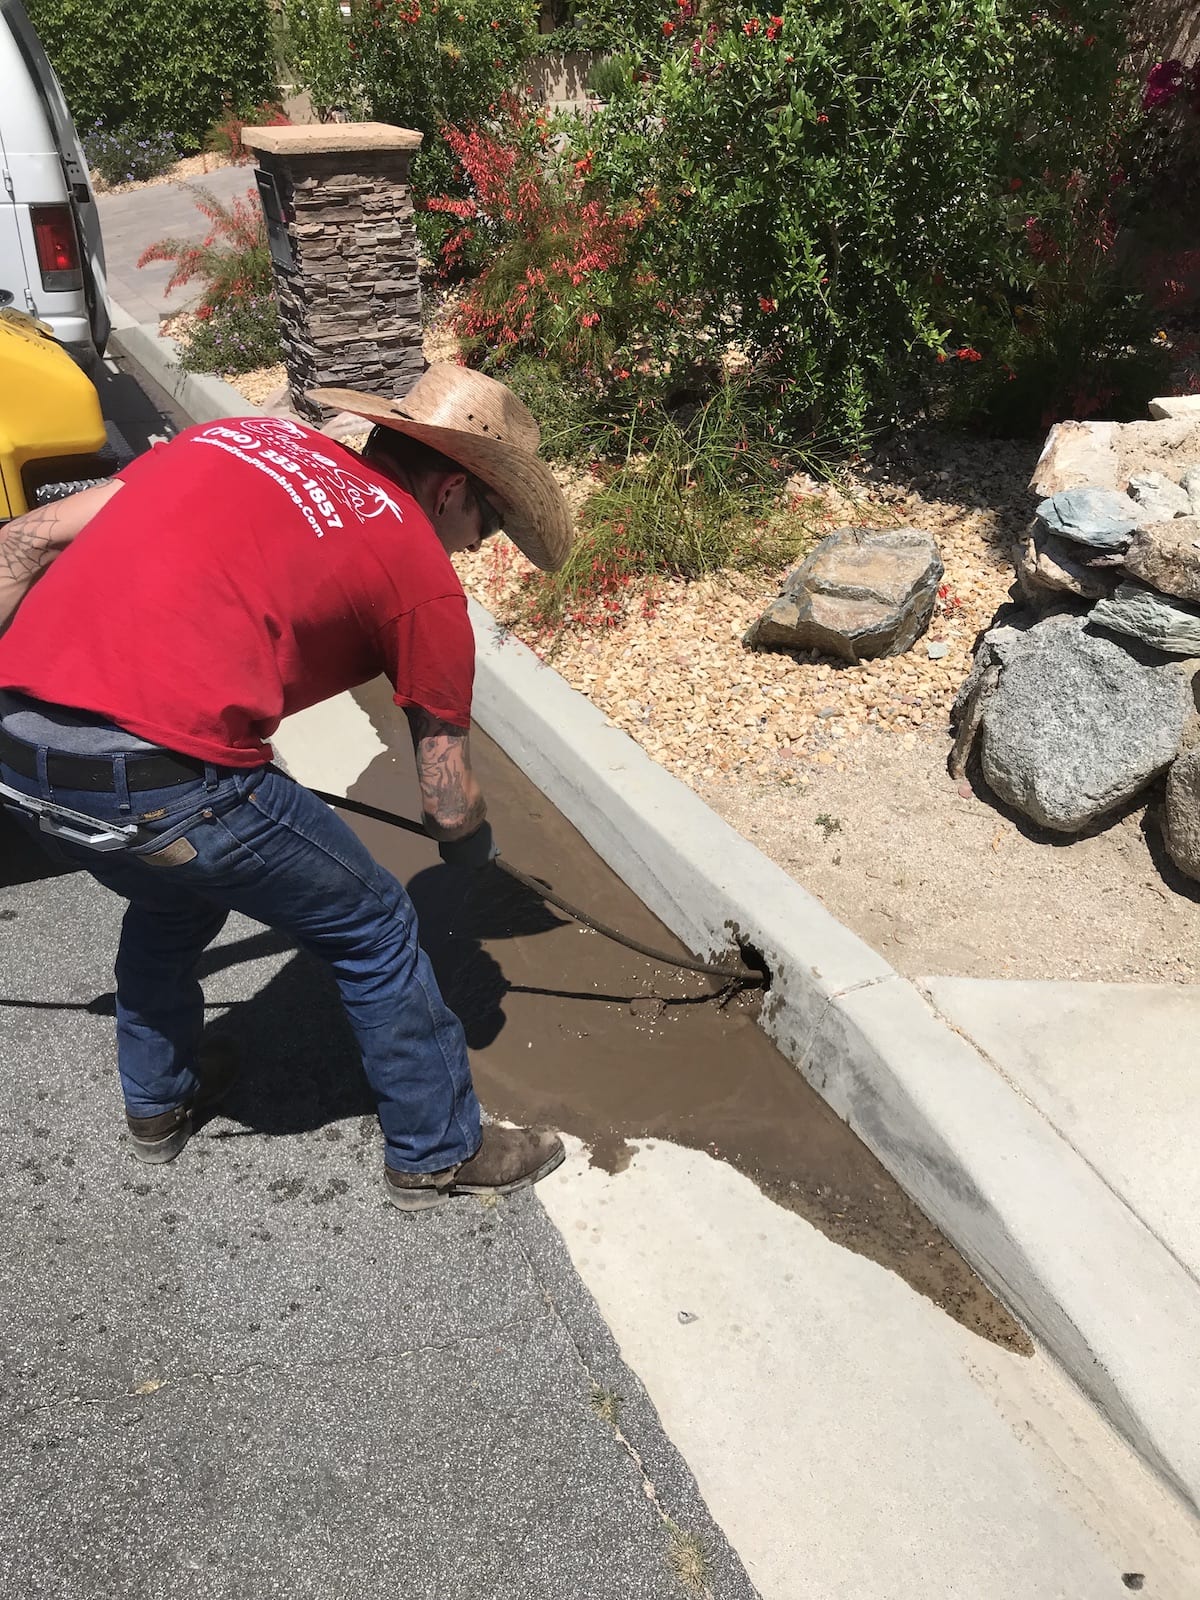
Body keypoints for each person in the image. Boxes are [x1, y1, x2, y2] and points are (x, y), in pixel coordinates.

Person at [0, 363, 574, 1212]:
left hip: (16, 748)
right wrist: (471, 845)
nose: (472, 551)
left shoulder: (238, 438)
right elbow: (446, 799)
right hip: (164, 779)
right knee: (376, 923)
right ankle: (439, 1149)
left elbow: (30, 537)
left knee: (172, 898)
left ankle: (161, 1100)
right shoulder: (422, 580)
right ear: (454, 489)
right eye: (484, 530)